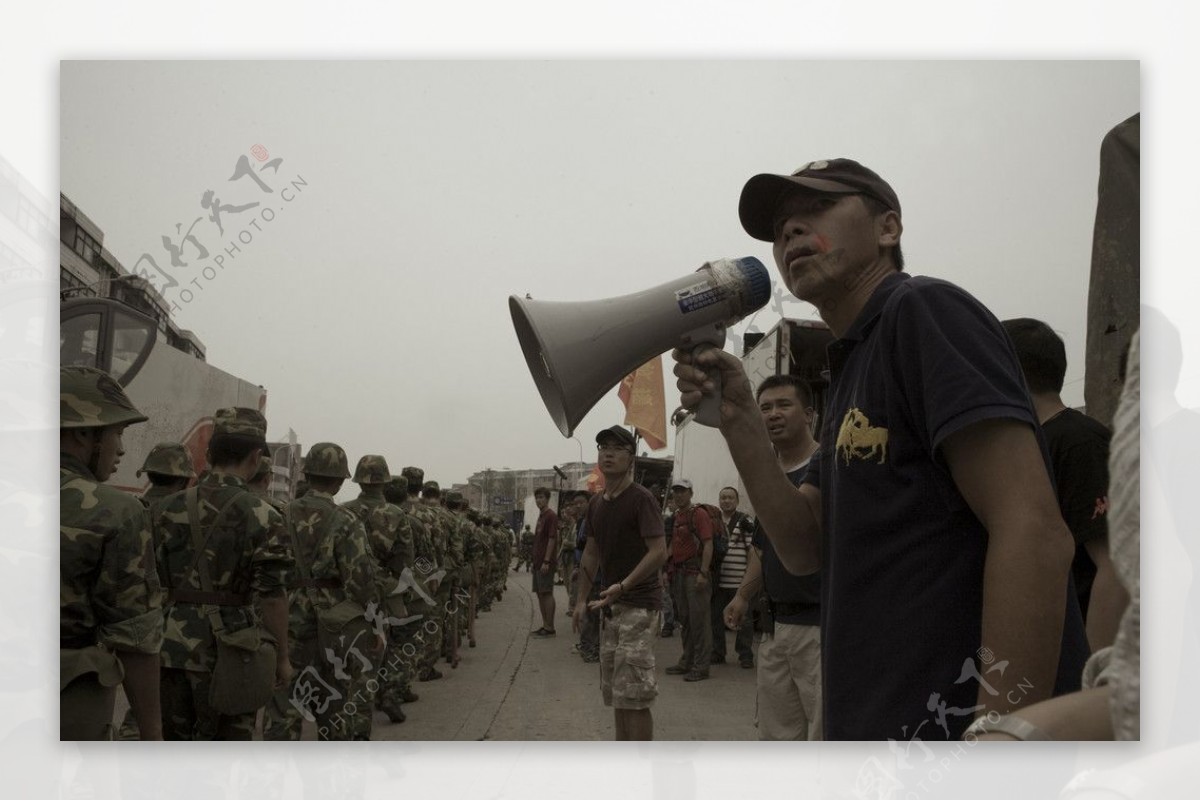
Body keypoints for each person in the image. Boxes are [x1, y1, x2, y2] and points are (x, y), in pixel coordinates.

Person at [673, 157, 1088, 739]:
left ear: (888, 228)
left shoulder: (924, 312)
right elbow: (801, 545)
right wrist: (739, 417)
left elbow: (1034, 531)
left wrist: (1001, 735)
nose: (789, 231)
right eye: (779, 227)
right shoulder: (852, 366)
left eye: (816, 208)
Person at [156, 407, 292, 740]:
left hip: (168, 646)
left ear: (209, 452)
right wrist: (282, 658)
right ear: (257, 456)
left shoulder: (166, 508)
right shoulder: (264, 514)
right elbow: (272, 596)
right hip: (231, 651)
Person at [1002, 317, 1126, 651]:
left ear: (1009, 372)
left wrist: (1091, 677)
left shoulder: (1080, 443)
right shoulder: (1032, 442)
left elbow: (1115, 566)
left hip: (1080, 654)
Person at [60, 366, 164, 740]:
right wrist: (153, 736)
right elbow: (135, 642)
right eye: (117, 432)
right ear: (84, 431)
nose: (121, 448)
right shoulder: (116, 510)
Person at [725, 375, 823, 740]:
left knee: (825, 739)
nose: (773, 415)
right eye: (764, 408)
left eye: (784, 405)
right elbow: (764, 547)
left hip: (820, 627)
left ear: (809, 413)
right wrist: (742, 595)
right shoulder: (767, 475)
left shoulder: (827, 465)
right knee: (777, 738)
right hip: (775, 628)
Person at [261, 441, 376, 741]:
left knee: (283, 702)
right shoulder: (348, 522)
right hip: (332, 625)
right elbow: (360, 582)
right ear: (339, 482)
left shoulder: (279, 514)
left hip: (283, 617)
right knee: (334, 702)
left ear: (307, 475)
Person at [573, 425, 669, 740]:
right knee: (618, 692)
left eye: (616, 448)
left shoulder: (641, 500)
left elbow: (659, 552)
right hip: (611, 608)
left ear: (631, 458)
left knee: (635, 696)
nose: (608, 453)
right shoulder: (597, 504)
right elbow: (591, 552)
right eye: (603, 447)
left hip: (639, 606)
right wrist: (580, 601)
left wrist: (624, 585)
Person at [342, 454, 415, 726]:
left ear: (359, 480)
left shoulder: (344, 510)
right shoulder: (397, 514)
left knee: (354, 648)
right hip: (386, 589)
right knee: (393, 644)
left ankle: (353, 698)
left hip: (349, 591)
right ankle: (389, 692)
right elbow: (405, 559)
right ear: (385, 481)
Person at [665, 478, 712, 682]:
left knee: (699, 621)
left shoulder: (698, 514)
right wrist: (666, 570)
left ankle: (701, 666)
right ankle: (687, 660)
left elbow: (708, 544)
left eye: (682, 491)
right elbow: (672, 547)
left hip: (694, 573)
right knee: (684, 619)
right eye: (676, 491)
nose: (678, 494)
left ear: (691, 493)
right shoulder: (677, 516)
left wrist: (703, 572)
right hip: (679, 573)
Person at [711, 486, 754, 669]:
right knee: (715, 618)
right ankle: (717, 652)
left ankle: (745, 655)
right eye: (723, 498)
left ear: (736, 501)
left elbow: (752, 550)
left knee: (743, 619)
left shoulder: (744, 520)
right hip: (718, 581)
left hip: (739, 581)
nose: (726, 501)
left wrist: (748, 578)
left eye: (730, 498)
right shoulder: (714, 521)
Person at [530, 486, 559, 637]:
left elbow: (552, 539)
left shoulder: (551, 516)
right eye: (537, 497)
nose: (538, 500)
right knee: (540, 593)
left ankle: (550, 627)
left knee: (547, 592)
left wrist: (546, 561)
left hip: (545, 562)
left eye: (542, 497)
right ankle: (545, 625)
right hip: (537, 562)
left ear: (547, 499)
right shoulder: (541, 516)